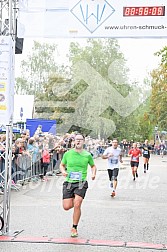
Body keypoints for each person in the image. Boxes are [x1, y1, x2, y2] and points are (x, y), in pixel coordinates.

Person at [60, 134, 96, 238]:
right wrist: (63, 171)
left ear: (84, 142)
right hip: (69, 182)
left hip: (81, 182)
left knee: (77, 203)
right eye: (77, 140)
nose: (78, 141)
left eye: (80, 140)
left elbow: (93, 166)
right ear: (74, 142)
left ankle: (74, 227)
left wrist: (93, 174)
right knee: (66, 207)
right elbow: (62, 165)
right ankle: (74, 203)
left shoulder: (87, 155)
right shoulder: (68, 154)